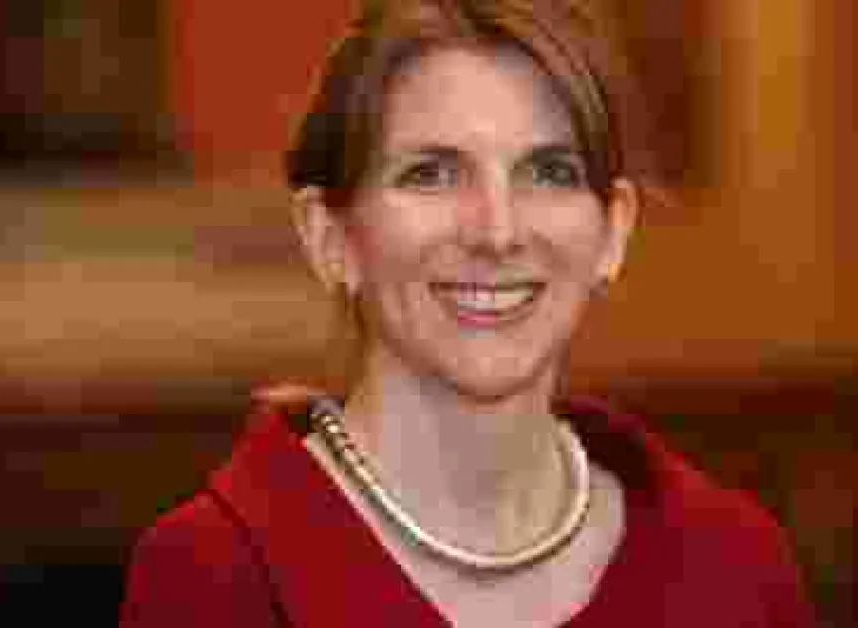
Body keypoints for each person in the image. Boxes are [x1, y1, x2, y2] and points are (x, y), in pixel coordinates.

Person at [120, 0, 814, 625]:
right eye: (431, 173)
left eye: (549, 171)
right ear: (330, 237)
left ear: (614, 231)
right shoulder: (218, 576)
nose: (497, 232)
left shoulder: (732, 566)